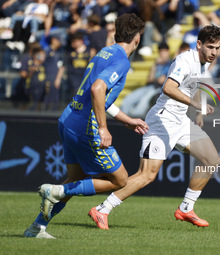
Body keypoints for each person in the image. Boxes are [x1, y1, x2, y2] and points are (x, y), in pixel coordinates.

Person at [23, 13, 148, 239]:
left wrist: (127, 120)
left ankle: (37, 228)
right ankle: (56, 191)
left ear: (116, 33)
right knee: (120, 180)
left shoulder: (104, 52)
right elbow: (97, 90)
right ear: (137, 39)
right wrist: (103, 127)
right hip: (85, 127)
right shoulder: (121, 60)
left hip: (68, 119)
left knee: (74, 178)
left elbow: (100, 97)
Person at [89, 25, 220, 230]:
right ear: (199, 44)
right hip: (162, 121)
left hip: (180, 121)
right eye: (210, 47)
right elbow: (168, 87)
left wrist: (197, 113)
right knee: (147, 176)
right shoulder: (185, 60)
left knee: (211, 159)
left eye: (217, 48)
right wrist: (196, 105)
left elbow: (194, 85)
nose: (214, 52)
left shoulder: (204, 64)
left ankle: (186, 208)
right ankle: (103, 209)